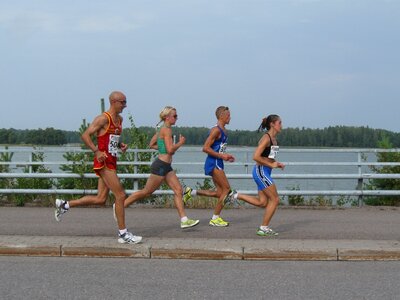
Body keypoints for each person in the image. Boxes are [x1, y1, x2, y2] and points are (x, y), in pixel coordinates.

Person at [54, 91, 142, 244]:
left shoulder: (119, 119)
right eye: (123, 102)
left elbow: (110, 138)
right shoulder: (102, 118)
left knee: (101, 199)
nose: (125, 105)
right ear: (114, 102)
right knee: (120, 196)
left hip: (112, 161)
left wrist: (120, 145)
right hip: (104, 163)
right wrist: (96, 151)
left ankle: (65, 204)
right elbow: (85, 135)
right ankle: (123, 234)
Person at [119, 106, 199, 229]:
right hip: (161, 166)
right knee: (147, 192)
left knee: (178, 190)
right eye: (175, 116)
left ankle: (184, 219)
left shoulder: (162, 129)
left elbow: (152, 144)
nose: (177, 118)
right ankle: (119, 206)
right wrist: (180, 143)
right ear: (167, 117)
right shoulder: (166, 130)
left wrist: (164, 150)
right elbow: (171, 150)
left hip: (166, 166)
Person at [231, 114, 285, 236]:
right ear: (272, 124)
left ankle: (235, 195)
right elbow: (255, 157)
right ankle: (263, 228)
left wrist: (276, 163)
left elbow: (268, 158)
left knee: (263, 203)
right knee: (275, 199)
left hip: (265, 172)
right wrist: (271, 165)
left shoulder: (274, 139)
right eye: (279, 123)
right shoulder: (266, 138)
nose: (281, 125)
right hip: (260, 172)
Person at [182, 106, 236, 227]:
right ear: (221, 116)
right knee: (227, 190)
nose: (230, 117)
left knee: (220, 192)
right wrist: (222, 156)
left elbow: (218, 149)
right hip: (214, 162)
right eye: (228, 115)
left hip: (218, 161)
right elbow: (205, 148)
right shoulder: (215, 130)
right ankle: (215, 218)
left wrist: (225, 156)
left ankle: (191, 192)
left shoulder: (224, 131)